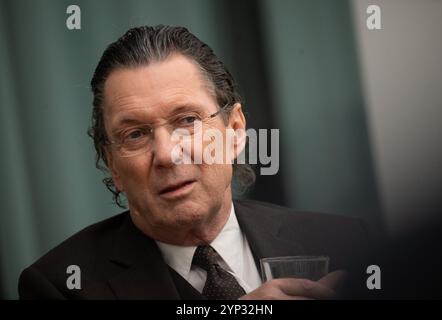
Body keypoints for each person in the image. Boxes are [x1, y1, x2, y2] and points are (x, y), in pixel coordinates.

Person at [18, 25, 371, 300]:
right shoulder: (61, 285)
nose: (168, 155)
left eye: (187, 120)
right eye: (136, 135)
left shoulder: (347, 244)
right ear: (112, 164)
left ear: (234, 131)